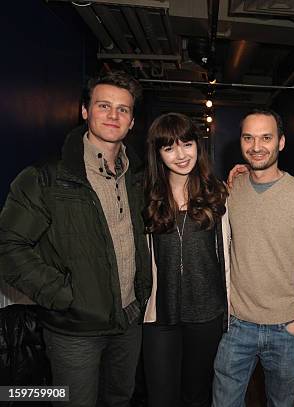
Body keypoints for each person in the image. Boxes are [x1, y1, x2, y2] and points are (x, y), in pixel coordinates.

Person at [0, 70, 151, 406]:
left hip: (128, 322)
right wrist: (63, 295)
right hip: (74, 330)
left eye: (123, 109)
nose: (113, 115)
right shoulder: (46, 178)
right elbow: (7, 247)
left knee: (119, 399)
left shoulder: (138, 176)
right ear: (85, 111)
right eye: (103, 106)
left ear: (131, 121)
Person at [212, 109, 294, 407]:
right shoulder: (230, 190)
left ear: (281, 142)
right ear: (241, 142)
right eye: (249, 138)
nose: (257, 146)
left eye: (266, 137)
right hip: (236, 324)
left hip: (287, 326)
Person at [142, 112, 229, 407]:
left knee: (197, 396)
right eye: (169, 148)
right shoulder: (145, 196)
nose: (181, 155)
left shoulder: (219, 194)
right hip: (161, 315)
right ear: (158, 154)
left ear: (198, 145)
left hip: (206, 315)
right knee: (161, 397)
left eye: (187, 143)